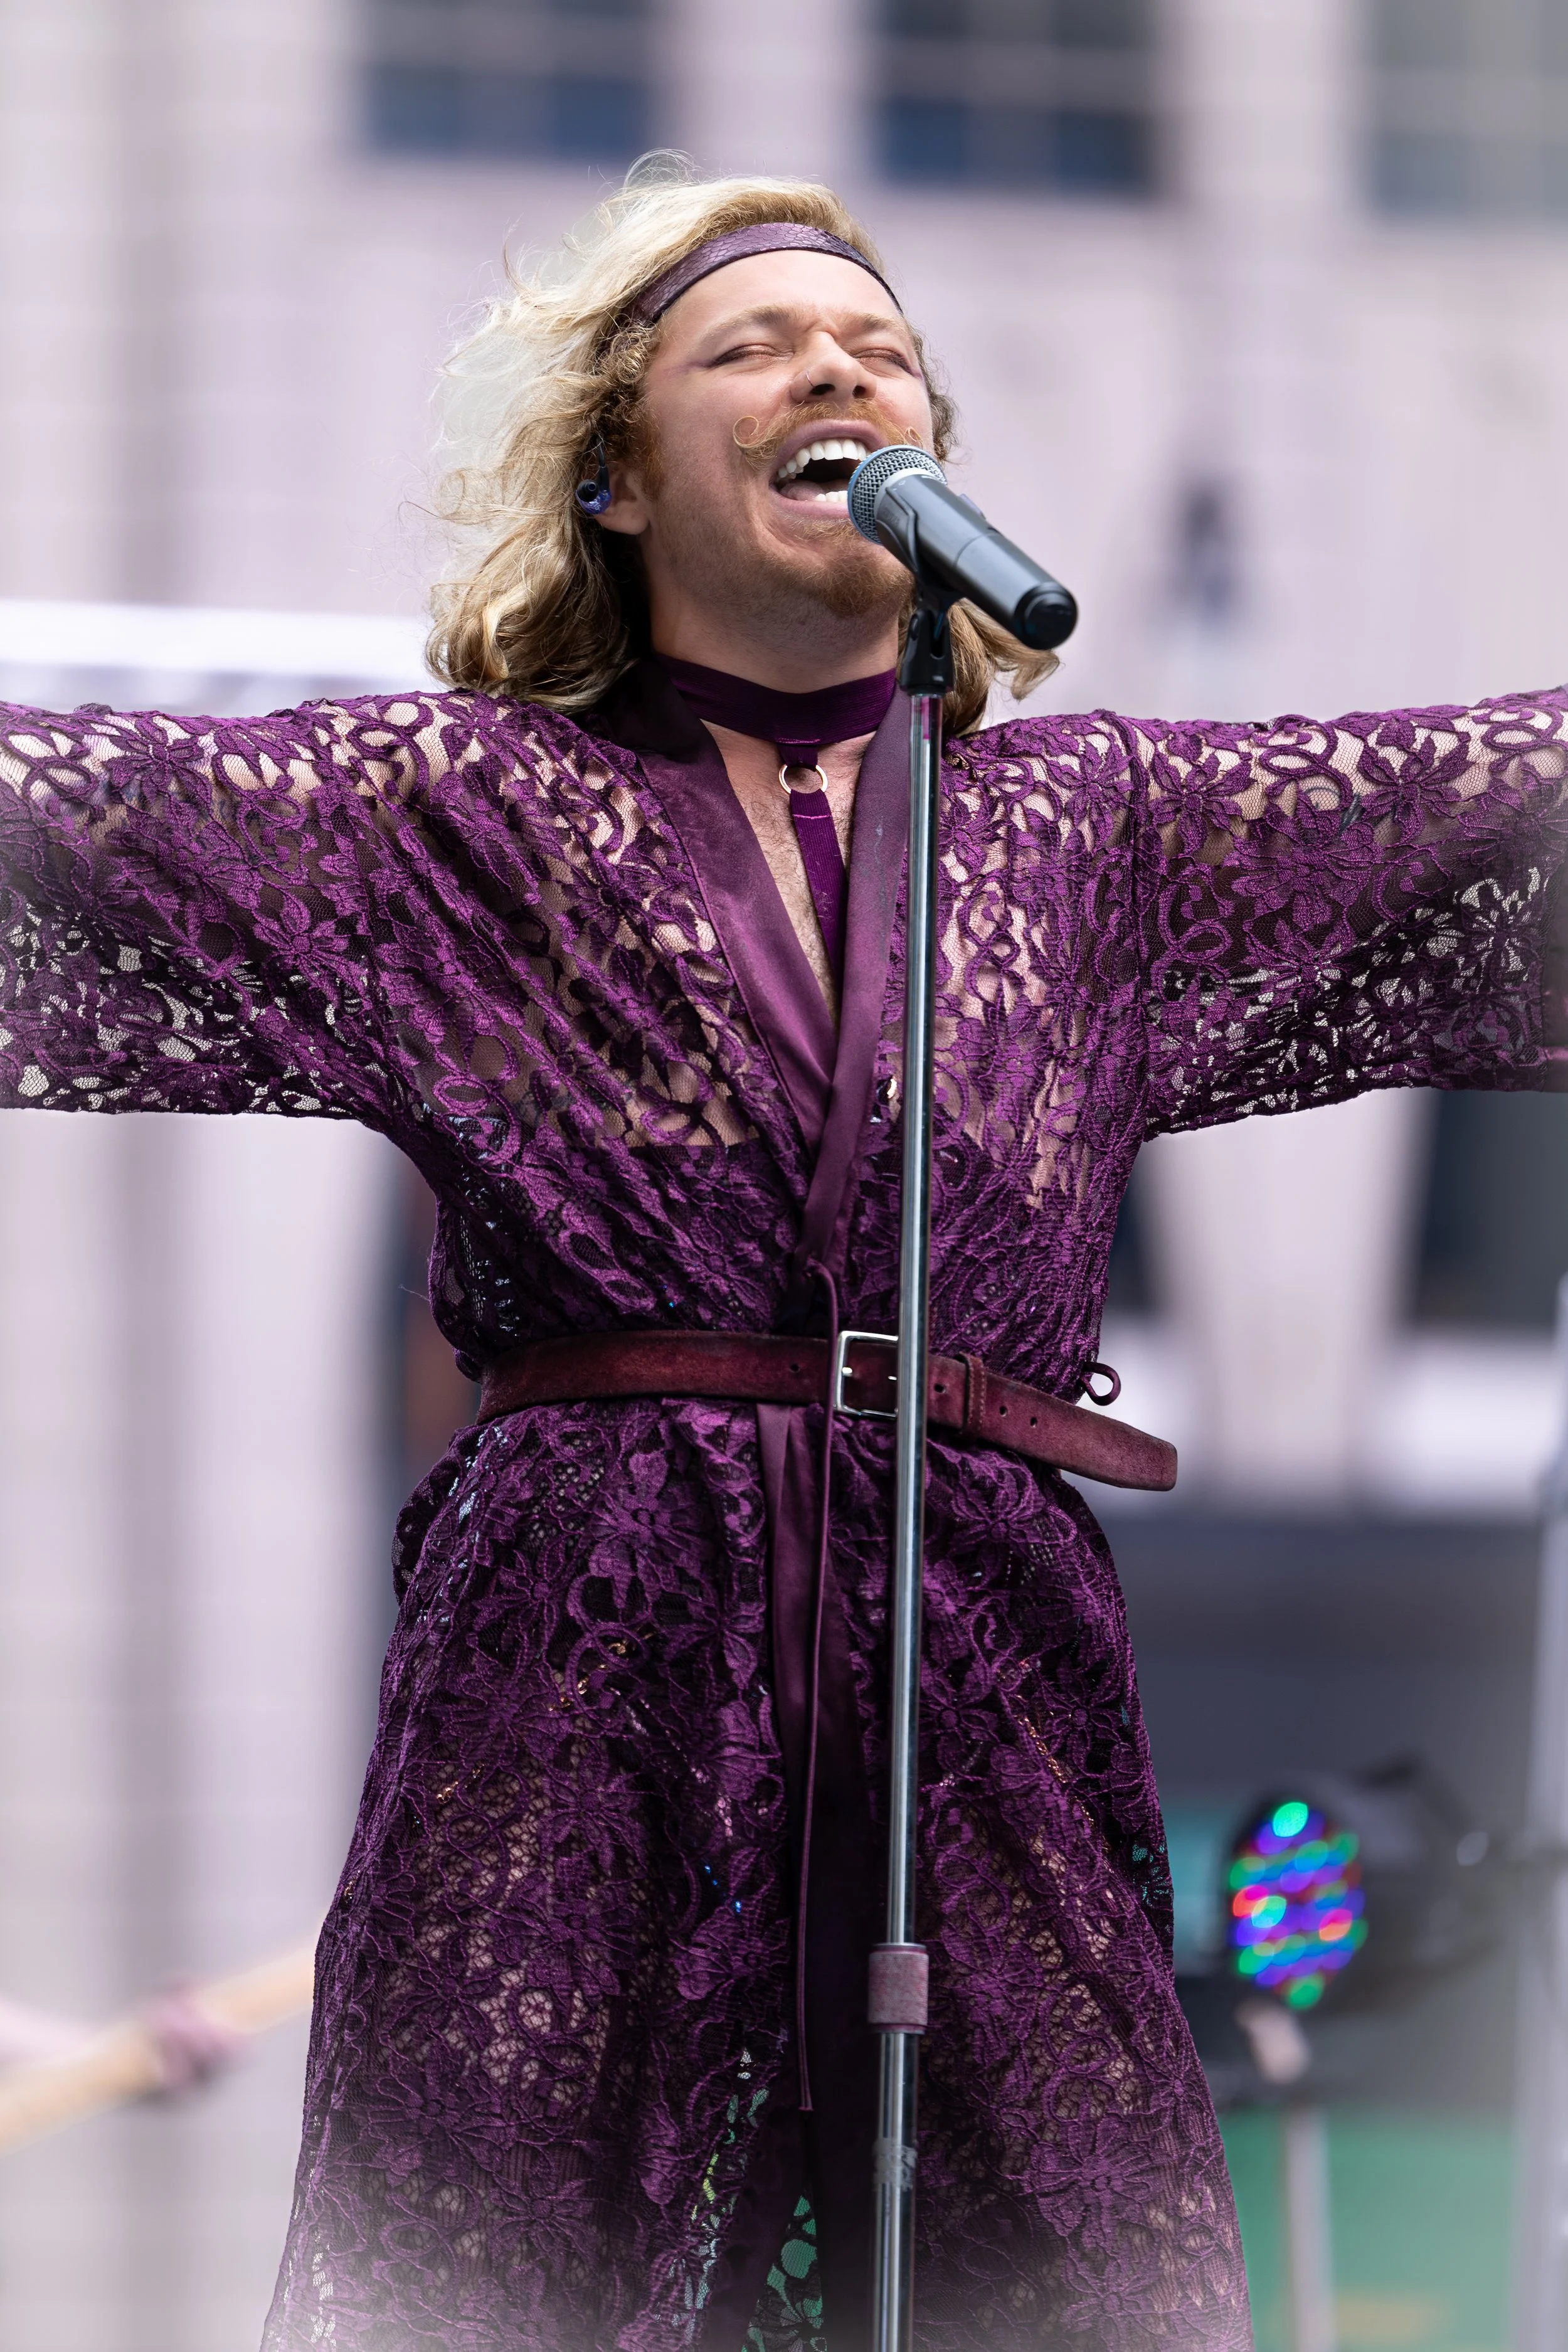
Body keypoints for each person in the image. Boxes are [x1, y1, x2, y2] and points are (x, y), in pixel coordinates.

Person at [0, 162, 1563, 2352]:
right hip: (569, 1688)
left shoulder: (1099, 840)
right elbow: (52, 829)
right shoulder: (444, 813)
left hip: (982, 1677)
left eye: (880, 348)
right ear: (618, 481)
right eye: (752, 346)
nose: (837, 364)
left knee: (1081, 2278)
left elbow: (1498, 821)